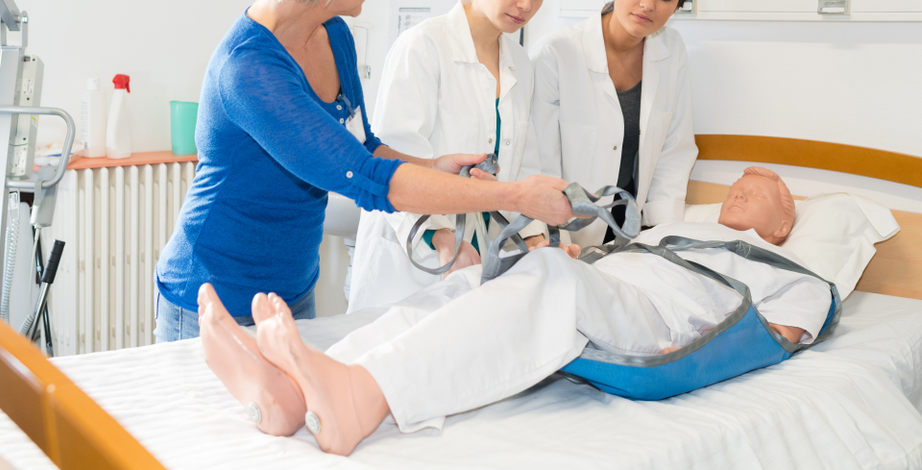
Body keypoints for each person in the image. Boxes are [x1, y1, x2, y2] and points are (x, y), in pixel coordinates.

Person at [154, 0, 573, 342]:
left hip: (291, 289)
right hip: (215, 294)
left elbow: (365, 145)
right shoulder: (249, 69)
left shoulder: (334, 35)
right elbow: (366, 179)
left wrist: (431, 165)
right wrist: (514, 195)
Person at [197, 166, 830, 455]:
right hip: (616, 293)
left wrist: (698, 352)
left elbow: (774, 339)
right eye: (738, 183)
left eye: (762, 190)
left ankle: (362, 397)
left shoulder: (799, 275)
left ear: (787, 221)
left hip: (669, 325)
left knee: (552, 274)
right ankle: (297, 388)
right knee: (477, 281)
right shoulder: (666, 232)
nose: (741, 189)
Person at [348, 0, 565, 313]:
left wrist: (534, 236)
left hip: (481, 254)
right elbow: (395, 161)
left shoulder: (519, 62)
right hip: (417, 254)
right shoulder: (424, 46)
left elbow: (521, 164)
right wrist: (442, 236)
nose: (527, 5)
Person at [531, 0, 700, 246]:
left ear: (677, 5)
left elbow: (674, 149)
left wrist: (660, 235)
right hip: (564, 229)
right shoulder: (556, 52)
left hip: (635, 232)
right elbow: (540, 159)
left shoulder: (671, 49)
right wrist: (548, 238)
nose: (648, 4)